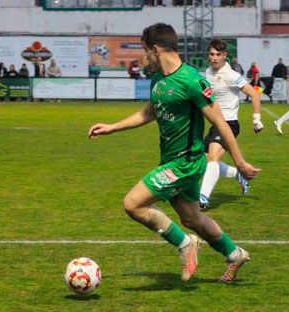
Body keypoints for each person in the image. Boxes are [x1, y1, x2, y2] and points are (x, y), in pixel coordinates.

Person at [88, 23, 260, 284]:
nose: (145, 58)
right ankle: (234, 254)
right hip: (172, 161)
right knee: (193, 219)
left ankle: (183, 244)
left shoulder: (192, 80)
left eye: (146, 52)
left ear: (156, 50)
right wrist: (113, 127)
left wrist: (240, 162)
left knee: (132, 204)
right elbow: (150, 112)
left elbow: (221, 123)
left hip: (185, 163)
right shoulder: (158, 79)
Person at [199, 39, 263, 210]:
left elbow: (255, 95)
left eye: (218, 55)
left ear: (224, 55)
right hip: (215, 124)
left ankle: (203, 198)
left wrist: (256, 121)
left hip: (229, 123)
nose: (214, 58)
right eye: (211, 54)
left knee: (213, 156)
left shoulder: (232, 75)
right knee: (202, 161)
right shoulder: (207, 73)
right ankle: (237, 174)